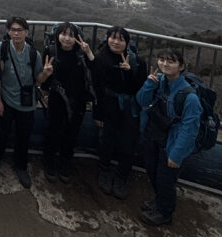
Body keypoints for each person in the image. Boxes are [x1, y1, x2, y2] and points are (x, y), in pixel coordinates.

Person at [136, 47, 203, 226]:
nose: (165, 64)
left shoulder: (189, 97)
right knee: (153, 172)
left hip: (171, 143)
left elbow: (190, 129)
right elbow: (141, 101)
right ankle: (158, 202)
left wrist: (177, 154)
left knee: (165, 179)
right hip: (153, 135)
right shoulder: (158, 81)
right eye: (162, 59)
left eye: (171, 61)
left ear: (181, 66)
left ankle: (165, 213)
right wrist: (149, 84)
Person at [0, 16, 50, 189]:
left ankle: (21, 167)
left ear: (26, 32)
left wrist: (46, 73)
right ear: (8, 32)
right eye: (13, 30)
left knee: (23, 136)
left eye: (19, 30)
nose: (16, 33)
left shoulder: (34, 54)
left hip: (27, 102)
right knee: (0, 135)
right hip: (6, 98)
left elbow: (38, 79)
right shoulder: (2, 48)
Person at [92, 25, 147, 199]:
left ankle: (122, 176)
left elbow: (140, 89)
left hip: (130, 107)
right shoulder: (101, 58)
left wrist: (129, 72)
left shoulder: (137, 62)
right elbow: (97, 87)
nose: (116, 42)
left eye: (121, 39)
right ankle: (104, 170)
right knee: (107, 139)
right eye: (113, 38)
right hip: (109, 104)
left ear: (127, 43)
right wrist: (97, 112)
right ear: (107, 39)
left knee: (128, 142)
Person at [40, 22, 95, 183]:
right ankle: (49, 161)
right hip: (57, 98)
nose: (67, 38)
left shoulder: (81, 53)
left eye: (71, 35)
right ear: (57, 35)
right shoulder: (51, 51)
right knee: (53, 131)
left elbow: (96, 71)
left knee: (71, 133)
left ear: (77, 38)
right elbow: (45, 79)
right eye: (63, 34)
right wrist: (45, 89)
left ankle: (65, 162)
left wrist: (89, 52)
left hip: (78, 99)